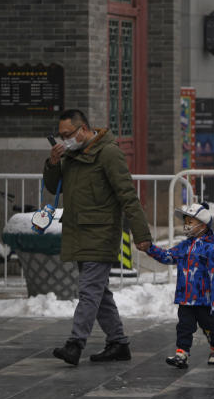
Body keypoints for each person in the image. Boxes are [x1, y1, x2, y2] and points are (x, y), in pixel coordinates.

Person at [44, 109, 152, 366]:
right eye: (61, 136)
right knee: (99, 292)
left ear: (83, 129)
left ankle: (75, 344)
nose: (64, 140)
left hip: (101, 233)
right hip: (78, 231)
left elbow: (127, 194)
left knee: (89, 291)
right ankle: (118, 343)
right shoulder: (71, 154)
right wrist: (52, 163)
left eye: (68, 134)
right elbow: (52, 186)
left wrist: (141, 233)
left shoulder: (109, 153)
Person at [147, 202, 214, 369]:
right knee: (184, 327)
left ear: (203, 225)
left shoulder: (211, 250)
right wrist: (149, 248)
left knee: (209, 327)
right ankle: (182, 354)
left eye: (191, 222)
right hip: (185, 298)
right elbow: (167, 256)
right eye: (186, 222)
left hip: (204, 301)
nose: (187, 226)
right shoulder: (184, 246)